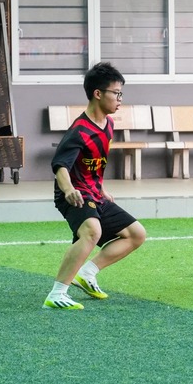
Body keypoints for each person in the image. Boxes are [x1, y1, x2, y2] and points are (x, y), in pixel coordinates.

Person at [43, 62, 147, 310]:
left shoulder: (108, 125)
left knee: (136, 234)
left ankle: (87, 273)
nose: (120, 99)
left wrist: (100, 189)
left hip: (93, 193)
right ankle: (57, 294)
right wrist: (69, 190)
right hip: (73, 194)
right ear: (98, 93)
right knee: (92, 231)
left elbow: (94, 163)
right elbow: (60, 166)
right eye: (116, 93)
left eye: (121, 93)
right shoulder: (79, 130)